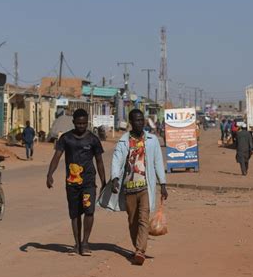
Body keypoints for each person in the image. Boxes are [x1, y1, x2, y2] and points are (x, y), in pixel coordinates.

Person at [110, 109, 168, 266]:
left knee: (143, 218)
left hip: (145, 187)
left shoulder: (152, 140)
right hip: (129, 188)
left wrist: (162, 183)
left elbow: (157, 162)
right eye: (136, 120)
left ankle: (140, 250)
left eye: (142, 120)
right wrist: (115, 178)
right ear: (131, 122)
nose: (140, 123)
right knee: (132, 221)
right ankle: (137, 246)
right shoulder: (124, 141)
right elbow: (117, 160)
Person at [46, 109, 106, 256]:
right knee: (74, 214)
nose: (81, 126)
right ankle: (77, 244)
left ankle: (85, 243)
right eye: (78, 123)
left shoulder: (93, 139)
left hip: (88, 183)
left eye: (84, 123)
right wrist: (49, 174)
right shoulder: (66, 138)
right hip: (72, 183)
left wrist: (104, 181)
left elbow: (99, 161)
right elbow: (57, 157)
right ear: (73, 122)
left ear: (87, 122)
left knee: (89, 211)